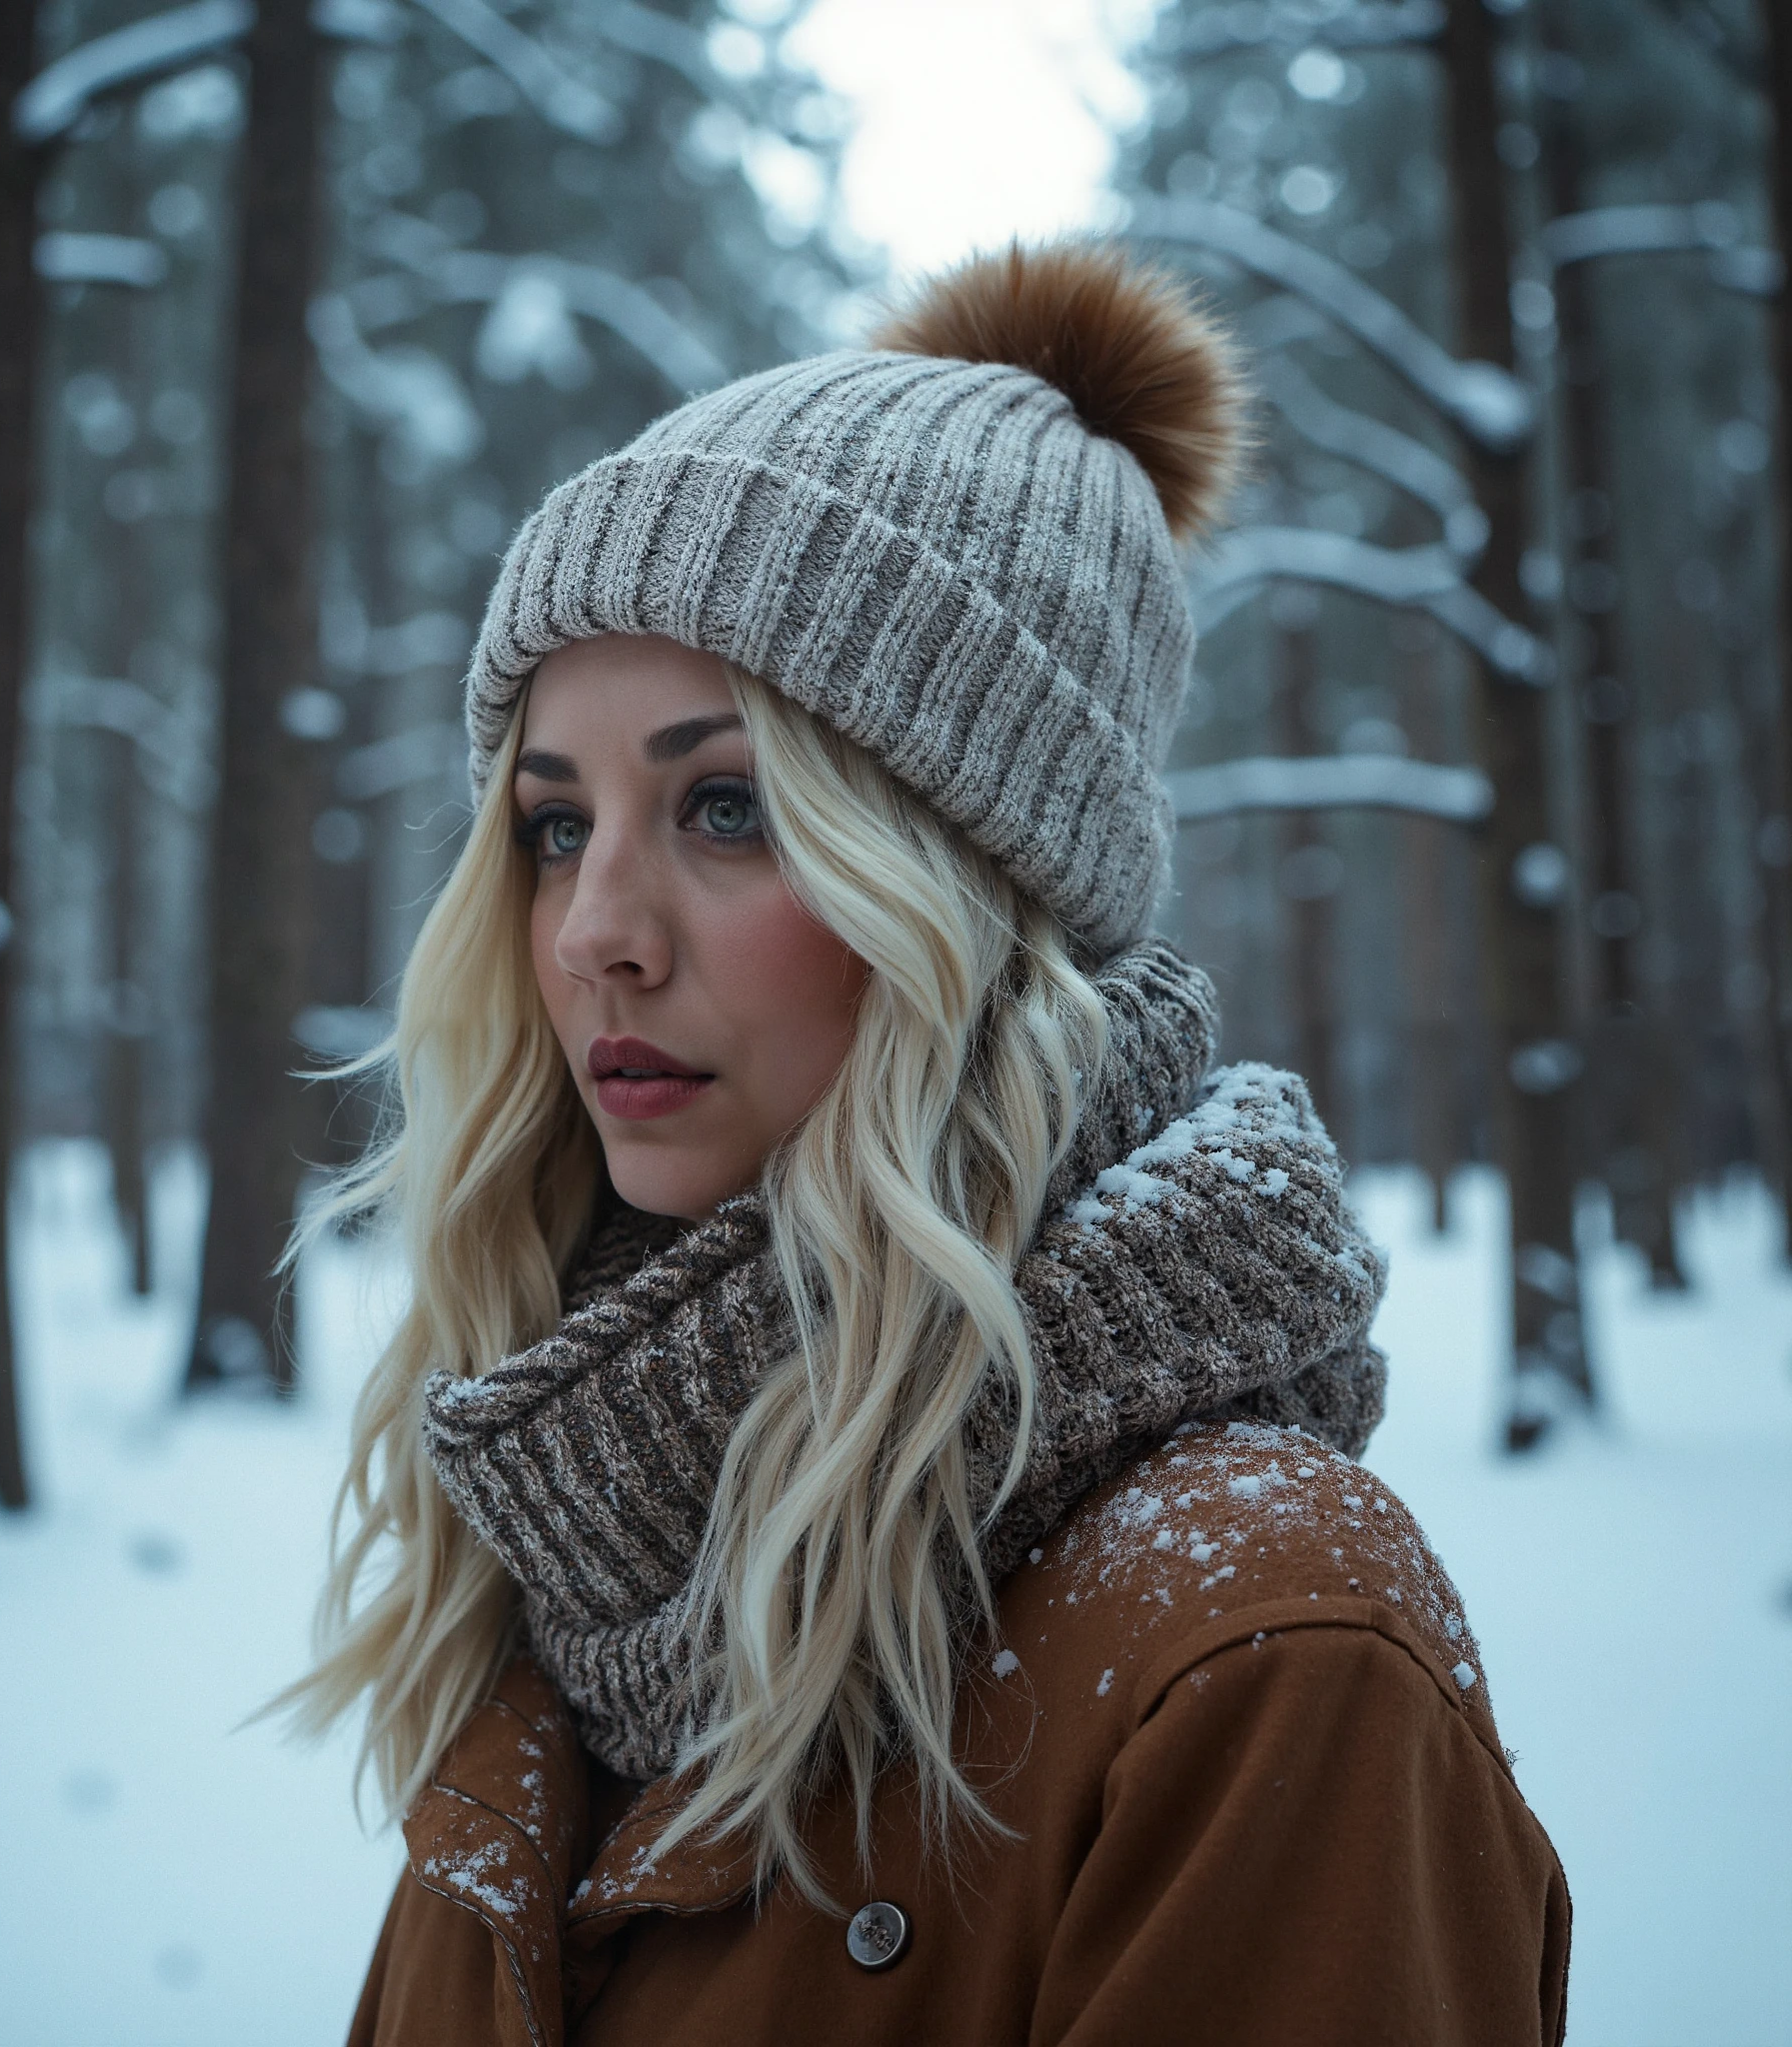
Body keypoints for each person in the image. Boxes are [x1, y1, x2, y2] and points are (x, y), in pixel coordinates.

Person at [284, 241, 1572, 2045]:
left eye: (727, 808)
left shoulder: (1266, 1653)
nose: (592, 934)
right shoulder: (594, 1527)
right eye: (555, 826)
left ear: (974, 893)